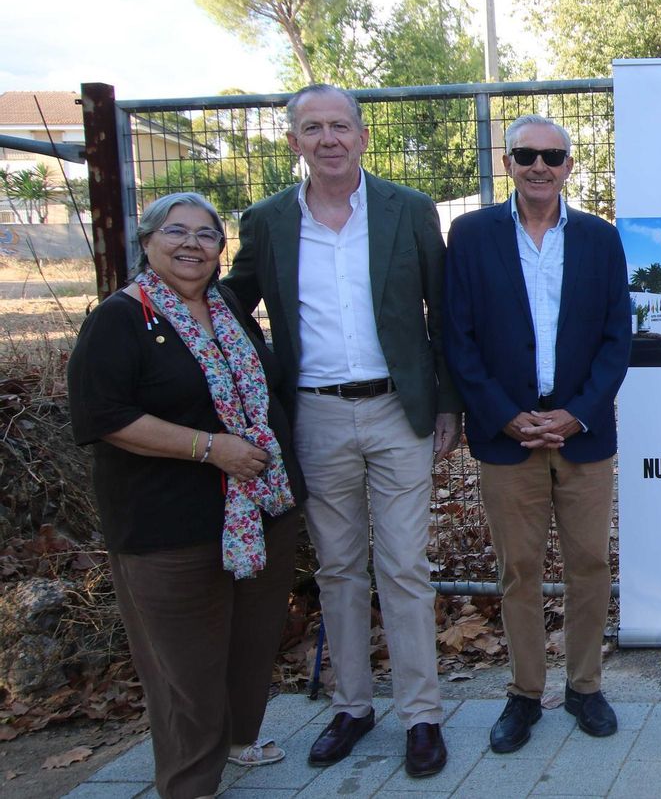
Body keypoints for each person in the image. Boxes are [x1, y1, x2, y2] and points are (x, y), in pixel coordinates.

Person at [223, 84, 462, 778]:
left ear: (361, 136)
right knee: (336, 567)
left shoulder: (409, 211)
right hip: (315, 414)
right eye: (311, 127)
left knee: (405, 566)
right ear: (294, 141)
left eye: (339, 126)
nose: (327, 138)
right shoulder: (266, 221)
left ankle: (421, 715)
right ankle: (354, 706)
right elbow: (229, 303)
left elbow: (441, 313)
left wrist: (447, 403)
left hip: (398, 410)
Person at [68, 192, 304, 798]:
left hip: (258, 510)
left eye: (206, 235)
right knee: (186, 669)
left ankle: (238, 741)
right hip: (169, 523)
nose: (191, 245)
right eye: (176, 232)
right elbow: (104, 417)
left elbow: (267, 384)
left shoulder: (225, 306)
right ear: (147, 242)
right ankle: (191, 782)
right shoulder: (121, 319)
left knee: (249, 646)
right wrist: (210, 447)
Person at [442, 114, 631, 751]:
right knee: (518, 570)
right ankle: (525, 694)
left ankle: (583, 686)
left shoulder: (601, 240)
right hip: (507, 437)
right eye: (526, 154)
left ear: (570, 164)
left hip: (582, 432)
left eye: (553, 154)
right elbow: (457, 338)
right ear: (508, 163)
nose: (540, 166)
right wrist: (502, 413)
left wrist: (576, 412)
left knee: (589, 563)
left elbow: (616, 339)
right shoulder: (469, 236)